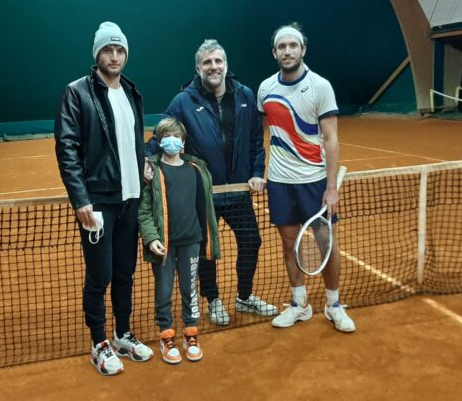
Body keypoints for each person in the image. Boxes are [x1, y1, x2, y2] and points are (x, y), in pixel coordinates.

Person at [145, 39, 277, 326]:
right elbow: (162, 135)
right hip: (203, 193)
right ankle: (213, 300)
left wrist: (256, 171)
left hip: (238, 191)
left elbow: (256, 140)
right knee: (205, 251)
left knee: (251, 241)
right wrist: (145, 160)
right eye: (207, 62)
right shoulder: (183, 101)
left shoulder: (244, 95)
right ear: (198, 68)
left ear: (226, 64)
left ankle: (244, 295)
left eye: (218, 61)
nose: (213, 67)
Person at [54, 21, 154, 376]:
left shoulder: (131, 91)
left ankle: (123, 333)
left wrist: (143, 165)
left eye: (120, 50)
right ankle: (99, 343)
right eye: (108, 50)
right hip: (97, 202)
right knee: (100, 276)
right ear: (97, 54)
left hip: (130, 198)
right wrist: (80, 198)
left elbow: (130, 140)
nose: (114, 56)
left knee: (125, 271)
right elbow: (67, 148)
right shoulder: (77, 92)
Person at [257, 23, 356, 333]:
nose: (287, 51)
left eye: (293, 45)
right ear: (274, 52)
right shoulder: (265, 89)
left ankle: (334, 305)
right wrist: (259, 174)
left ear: (303, 50)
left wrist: (331, 189)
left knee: (326, 244)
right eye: (281, 46)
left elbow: (331, 139)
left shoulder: (320, 86)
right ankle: (299, 305)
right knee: (290, 244)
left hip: (314, 180)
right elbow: (263, 134)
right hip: (280, 181)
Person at [138, 117, 220, 364]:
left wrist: (206, 237)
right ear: (159, 141)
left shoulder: (197, 169)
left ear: (183, 142)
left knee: (190, 290)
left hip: (192, 241)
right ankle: (166, 335)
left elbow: (203, 206)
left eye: (177, 137)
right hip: (164, 245)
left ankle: (191, 334)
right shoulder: (151, 171)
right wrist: (151, 238)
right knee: (163, 291)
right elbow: (143, 211)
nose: (172, 141)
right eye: (166, 136)